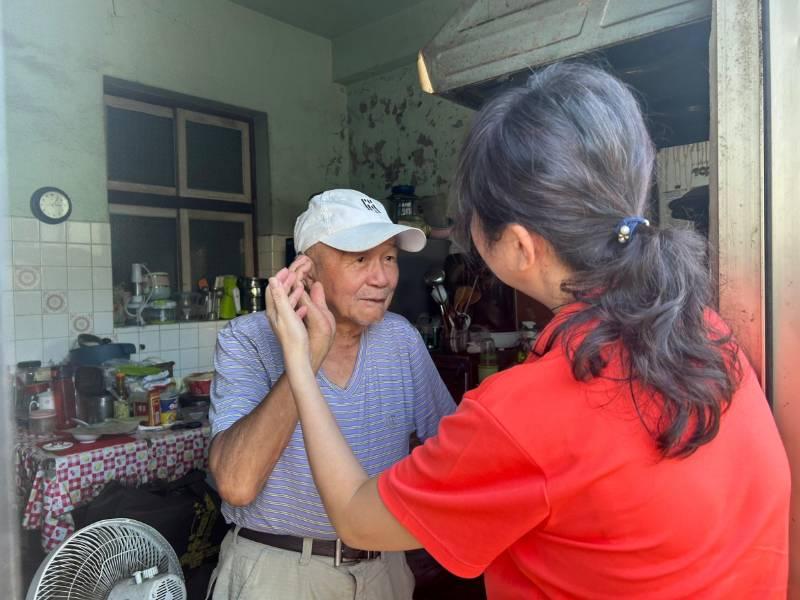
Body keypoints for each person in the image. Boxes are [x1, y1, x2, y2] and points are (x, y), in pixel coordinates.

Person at [265, 63, 791, 599]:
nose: (379, 275)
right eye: (359, 259)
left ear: (518, 245)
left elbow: (358, 514)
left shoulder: (522, 413)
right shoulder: (702, 329)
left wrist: (301, 363)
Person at [206, 189, 456, 600]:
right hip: (279, 574)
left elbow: (450, 452)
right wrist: (310, 353)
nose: (382, 277)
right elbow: (236, 483)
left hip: (384, 571)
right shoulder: (246, 339)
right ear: (306, 269)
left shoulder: (400, 339)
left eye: (389, 257)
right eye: (359, 258)